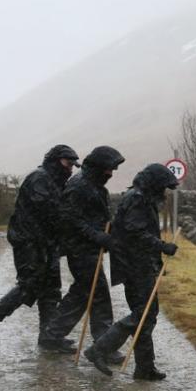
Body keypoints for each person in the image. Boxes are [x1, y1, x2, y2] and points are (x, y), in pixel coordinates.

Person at [0, 145, 79, 348]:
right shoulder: (39, 178)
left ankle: (48, 337)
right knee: (29, 284)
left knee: (51, 290)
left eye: (73, 165)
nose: (70, 169)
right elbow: (48, 210)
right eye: (68, 163)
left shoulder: (55, 181)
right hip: (29, 241)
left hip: (46, 243)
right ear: (56, 161)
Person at [84, 163, 179, 380]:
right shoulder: (137, 199)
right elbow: (135, 234)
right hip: (135, 265)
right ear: (154, 184)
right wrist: (161, 246)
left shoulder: (139, 197)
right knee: (144, 312)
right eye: (163, 187)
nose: (164, 192)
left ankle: (145, 367)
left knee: (145, 313)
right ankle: (100, 349)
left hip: (134, 263)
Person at [38, 146, 126, 359]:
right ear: (98, 167)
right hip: (80, 249)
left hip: (88, 248)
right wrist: (99, 237)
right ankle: (103, 346)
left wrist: (112, 233)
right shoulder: (79, 187)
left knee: (81, 294)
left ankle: (51, 335)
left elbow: (97, 218)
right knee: (99, 294)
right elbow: (72, 220)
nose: (110, 174)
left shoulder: (94, 186)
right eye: (108, 169)